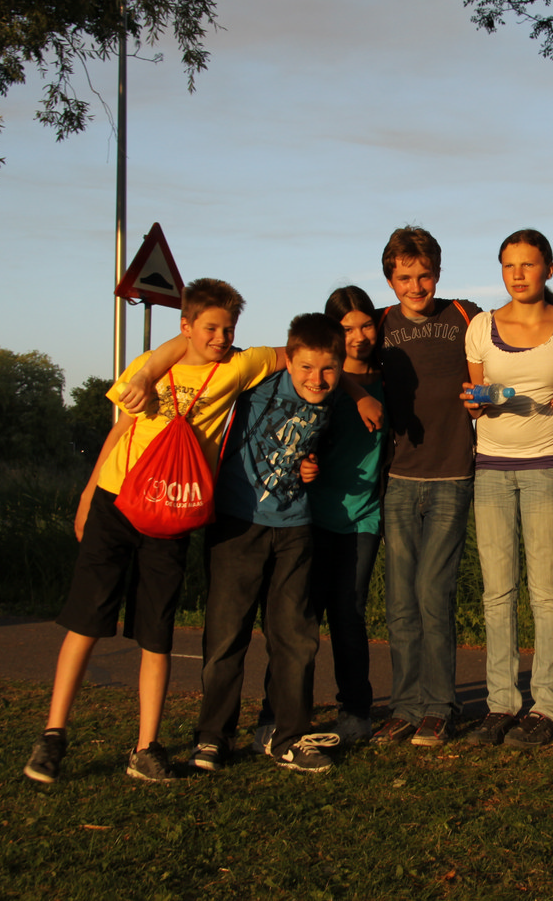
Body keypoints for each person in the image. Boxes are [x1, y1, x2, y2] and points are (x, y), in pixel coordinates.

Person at [24, 278, 283, 784]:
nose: (221, 338)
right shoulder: (148, 368)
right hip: (116, 500)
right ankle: (53, 735)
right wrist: (87, 493)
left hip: (173, 512)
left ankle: (146, 747)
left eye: (228, 329)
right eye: (210, 328)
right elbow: (120, 428)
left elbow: (292, 353)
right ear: (186, 325)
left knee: (156, 632)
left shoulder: (237, 366)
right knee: (86, 620)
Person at [185, 313, 348, 774]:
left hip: (295, 527)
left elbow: (309, 444)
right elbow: (207, 354)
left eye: (328, 369)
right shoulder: (257, 380)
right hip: (237, 523)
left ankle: (285, 736)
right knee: (226, 635)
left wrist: (311, 465)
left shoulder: (334, 397)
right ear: (287, 360)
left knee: (296, 637)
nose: (317, 379)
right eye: (306, 367)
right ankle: (212, 737)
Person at [464, 229, 553, 749]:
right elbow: (474, 397)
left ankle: (548, 706)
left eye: (528, 264)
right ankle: (501, 704)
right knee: (497, 592)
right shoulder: (480, 327)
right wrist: (476, 402)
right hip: (490, 467)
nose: (518, 274)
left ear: (548, 269)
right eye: (509, 265)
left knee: (547, 592)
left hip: (548, 466)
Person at [370, 226, 482, 748]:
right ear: (390, 280)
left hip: (452, 474)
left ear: (438, 272)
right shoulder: (378, 325)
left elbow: (516, 344)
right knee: (400, 601)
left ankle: (440, 707)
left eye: (425, 276)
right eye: (405, 278)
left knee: (434, 595)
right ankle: (405, 707)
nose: (416, 287)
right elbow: (332, 361)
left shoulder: (464, 315)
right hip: (398, 478)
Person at [307, 286, 388, 744]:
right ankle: (282, 709)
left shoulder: (391, 379)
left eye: (366, 325)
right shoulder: (321, 382)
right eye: (346, 328)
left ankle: (355, 710)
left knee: (349, 612)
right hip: (312, 515)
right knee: (302, 616)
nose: (358, 337)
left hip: (364, 518)